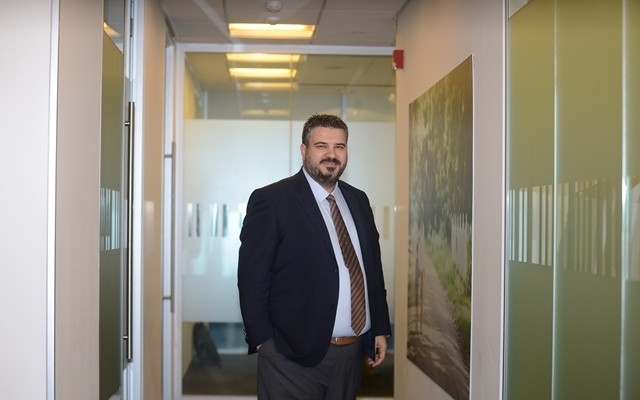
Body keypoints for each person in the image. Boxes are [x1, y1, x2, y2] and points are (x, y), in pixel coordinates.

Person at [237, 113, 392, 399]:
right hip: (289, 358)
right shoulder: (272, 200)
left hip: (351, 354)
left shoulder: (358, 200)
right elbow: (252, 279)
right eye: (322, 146)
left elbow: (371, 269)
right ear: (304, 150)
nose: (331, 154)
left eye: (339, 146)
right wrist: (264, 344)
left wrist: (379, 327)